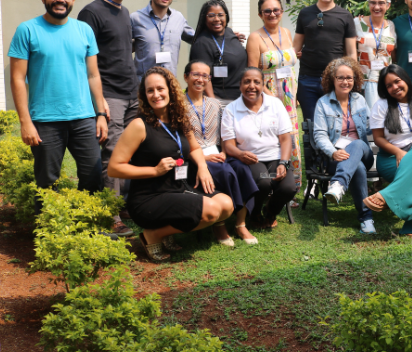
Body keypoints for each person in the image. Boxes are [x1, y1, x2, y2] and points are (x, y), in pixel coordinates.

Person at [108, 67, 235, 262]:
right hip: (148, 198)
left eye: (160, 88)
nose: (156, 94)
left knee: (226, 205)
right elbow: (114, 167)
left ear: (170, 90)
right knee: (211, 210)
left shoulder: (180, 119)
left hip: (177, 189)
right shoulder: (139, 126)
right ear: (144, 95)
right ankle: (153, 235)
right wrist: (154, 170)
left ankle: (166, 231)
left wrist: (202, 167)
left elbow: (194, 149)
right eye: (150, 91)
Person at [8, 0, 108, 212]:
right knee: (46, 181)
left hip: (83, 118)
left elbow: (93, 75)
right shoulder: (27, 30)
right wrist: (25, 122)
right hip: (45, 121)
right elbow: (17, 79)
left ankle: (87, 227)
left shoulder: (84, 30)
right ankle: (47, 236)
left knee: (93, 176)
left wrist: (101, 113)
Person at [78, 0, 138, 236]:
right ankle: (111, 214)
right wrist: (98, 102)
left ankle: (123, 202)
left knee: (133, 149)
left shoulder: (125, 12)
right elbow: (84, 61)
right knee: (112, 151)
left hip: (132, 91)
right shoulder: (91, 12)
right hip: (110, 94)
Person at [183, 61, 259, 245]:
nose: (200, 79)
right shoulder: (178, 105)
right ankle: (220, 224)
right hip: (194, 159)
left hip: (218, 154)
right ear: (186, 77)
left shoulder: (215, 105)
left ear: (209, 80)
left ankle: (240, 224)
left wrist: (225, 152)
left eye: (205, 76)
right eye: (196, 74)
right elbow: (180, 142)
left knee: (241, 168)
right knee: (224, 172)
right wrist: (205, 157)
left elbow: (224, 134)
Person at [362, 65, 412, 237]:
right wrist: (398, 152)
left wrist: (411, 155)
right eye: (389, 85)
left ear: (406, 79)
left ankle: (387, 196)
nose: (395, 87)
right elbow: (379, 138)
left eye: (397, 81)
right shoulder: (381, 106)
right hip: (390, 156)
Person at [222, 68, 297, 231]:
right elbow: (228, 145)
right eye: (247, 81)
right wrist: (240, 154)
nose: (252, 86)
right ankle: (254, 213)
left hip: (276, 157)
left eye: (257, 82)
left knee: (289, 187)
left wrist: (283, 163)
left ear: (263, 85)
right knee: (263, 183)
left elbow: (285, 139)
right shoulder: (231, 110)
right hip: (250, 159)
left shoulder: (275, 104)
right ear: (240, 85)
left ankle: (270, 211)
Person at [246, 0, 302, 196]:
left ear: (282, 11)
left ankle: (293, 187)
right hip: (268, 96)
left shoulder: (287, 32)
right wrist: (271, 98)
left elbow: (290, 61)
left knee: (291, 139)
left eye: (276, 10)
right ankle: (272, 186)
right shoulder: (255, 37)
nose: (272, 14)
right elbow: (253, 73)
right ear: (260, 14)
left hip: (289, 94)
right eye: (267, 11)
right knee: (274, 139)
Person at [313, 57, 376, 234]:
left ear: (355, 80)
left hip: (363, 151)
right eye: (340, 77)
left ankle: (338, 184)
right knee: (359, 169)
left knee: (356, 143)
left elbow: (371, 126)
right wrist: (333, 152)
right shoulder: (323, 103)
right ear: (332, 80)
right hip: (337, 157)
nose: (345, 81)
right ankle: (367, 218)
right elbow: (319, 134)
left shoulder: (360, 100)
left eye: (349, 77)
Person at [293, 0, 358, 122]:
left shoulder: (345, 16)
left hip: (335, 79)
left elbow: (351, 53)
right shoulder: (305, 14)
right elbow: (295, 48)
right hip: (307, 79)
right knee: (311, 124)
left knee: (335, 124)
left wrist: (350, 79)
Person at [131, 0, 194, 78]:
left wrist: (226, 36)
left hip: (169, 87)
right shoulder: (135, 18)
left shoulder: (178, 18)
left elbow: (198, 39)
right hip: (143, 88)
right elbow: (122, 49)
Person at [189, 0, 248, 109]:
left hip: (242, 98)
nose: (217, 19)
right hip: (222, 101)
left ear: (226, 16)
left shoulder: (229, 33)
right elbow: (203, 77)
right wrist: (214, 104)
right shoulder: (202, 43)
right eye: (211, 15)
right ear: (204, 18)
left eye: (220, 15)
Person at [354, 0, 396, 108]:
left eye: (381, 3)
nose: (376, 7)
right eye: (373, 3)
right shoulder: (356, 23)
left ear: (388, 5)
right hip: (364, 83)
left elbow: (393, 55)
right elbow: (348, 52)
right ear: (368, 4)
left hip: (386, 82)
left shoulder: (391, 26)